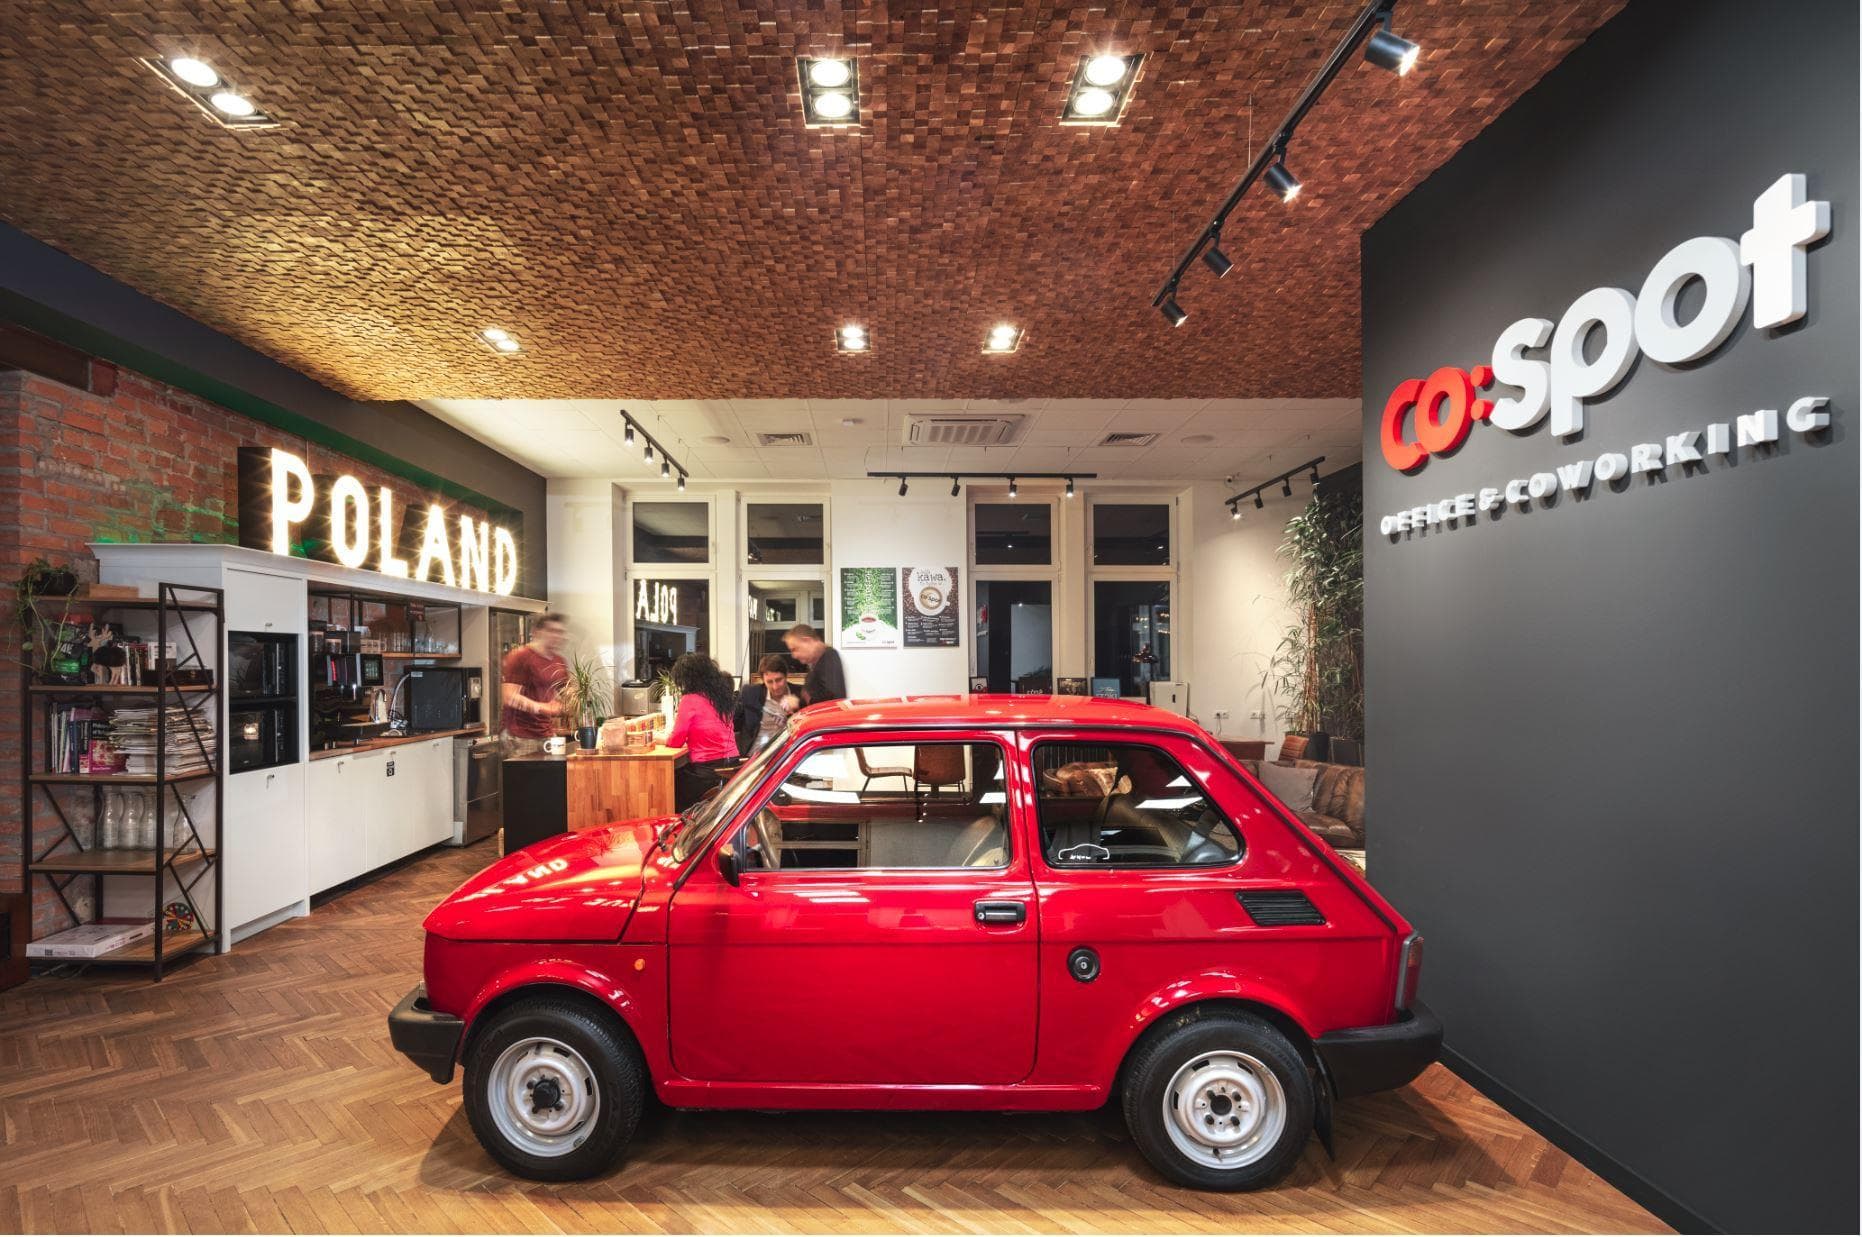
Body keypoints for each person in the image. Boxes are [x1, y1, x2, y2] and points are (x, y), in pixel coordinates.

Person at [665, 652, 742, 809]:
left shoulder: (689, 700)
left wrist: (662, 740)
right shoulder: (722, 697)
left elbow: (676, 740)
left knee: (671, 783)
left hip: (707, 772)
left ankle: (679, 822)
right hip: (732, 766)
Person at [500, 612, 568, 755]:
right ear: (537, 632)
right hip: (520, 736)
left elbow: (564, 692)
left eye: (560, 632)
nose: (556, 636)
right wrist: (543, 708)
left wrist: (564, 702)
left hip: (546, 732)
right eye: (551, 631)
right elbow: (509, 697)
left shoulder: (559, 661)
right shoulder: (521, 657)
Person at [733, 653, 794, 756]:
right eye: (769, 682)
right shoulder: (751, 694)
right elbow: (733, 721)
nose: (775, 687)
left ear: (786, 676)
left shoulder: (800, 694)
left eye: (779, 680)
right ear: (763, 680)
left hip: (786, 757)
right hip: (754, 756)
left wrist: (793, 714)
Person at [781, 623, 846, 710]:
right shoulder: (816, 663)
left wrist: (798, 703)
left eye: (795, 649)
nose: (794, 656)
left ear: (807, 641)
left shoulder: (829, 657)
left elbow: (833, 701)